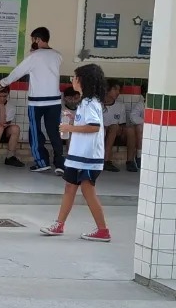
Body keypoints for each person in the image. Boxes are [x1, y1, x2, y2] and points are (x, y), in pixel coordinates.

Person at [40, 63, 111, 241]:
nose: (72, 80)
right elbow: (88, 123)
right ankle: (59, 224)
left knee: (88, 192)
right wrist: (74, 120)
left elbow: (94, 127)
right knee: (69, 187)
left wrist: (70, 127)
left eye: (75, 77)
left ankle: (102, 230)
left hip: (87, 157)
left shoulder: (88, 103)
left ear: (83, 80)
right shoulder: (86, 102)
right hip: (79, 156)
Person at [0, 28, 64, 174]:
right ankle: (60, 164)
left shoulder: (34, 56)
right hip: (55, 102)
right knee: (54, 132)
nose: (32, 42)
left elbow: (17, 72)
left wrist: (2, 83)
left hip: (37, 102)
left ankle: (42, 162)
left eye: (33, 39)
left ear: (37, 39)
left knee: (35, 131)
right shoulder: (58, 56)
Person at [102, 79, 127, 173]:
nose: (118, 92)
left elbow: (122, 125)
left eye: (119, 90)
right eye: (115, 89)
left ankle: (106, 160)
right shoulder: (97, 104)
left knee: (114, 127)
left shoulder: (120, 106)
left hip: (115, 132)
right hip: (98, 131)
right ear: (107, 90)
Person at [128, 81, 146, 172]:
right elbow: (133, 116)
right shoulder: (141, 104)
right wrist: (147, 123)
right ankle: (139, 156)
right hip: (145, 130)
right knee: (138, 127)